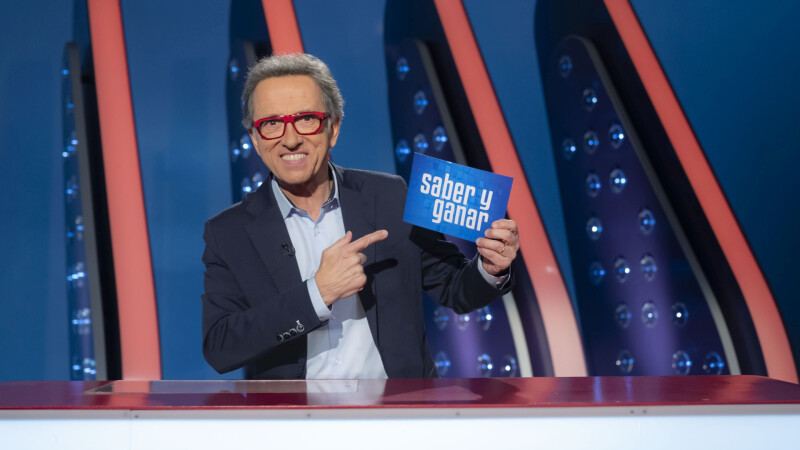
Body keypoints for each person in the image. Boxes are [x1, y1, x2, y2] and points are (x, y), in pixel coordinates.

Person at [201, 53, 520, 379]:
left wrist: (490, 268)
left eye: (307, 119)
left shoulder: (391, 196)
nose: (291, 139)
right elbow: (220, 346)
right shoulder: (228, 232)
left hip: (397, 406)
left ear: (334, 128)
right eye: (271, 124)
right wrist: (317, 294)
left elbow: (454, 287)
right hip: (296, 411)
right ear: (255, 140)